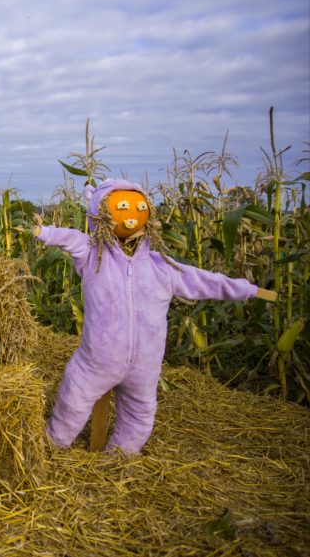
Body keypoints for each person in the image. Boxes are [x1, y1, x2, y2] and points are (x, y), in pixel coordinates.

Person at [33, 178, 275, 454]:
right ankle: (53, 447)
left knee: (139, 416)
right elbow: (73, 240)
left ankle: (118, 459)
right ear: (99, 214)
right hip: (98, 362)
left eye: (139, 207)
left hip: (144, 367)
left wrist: (246, 289)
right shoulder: (93, 257)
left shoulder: (161, 267)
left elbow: (204, 280)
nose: (131, 215)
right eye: (121, 207)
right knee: (73, 402)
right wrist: (46, 233)